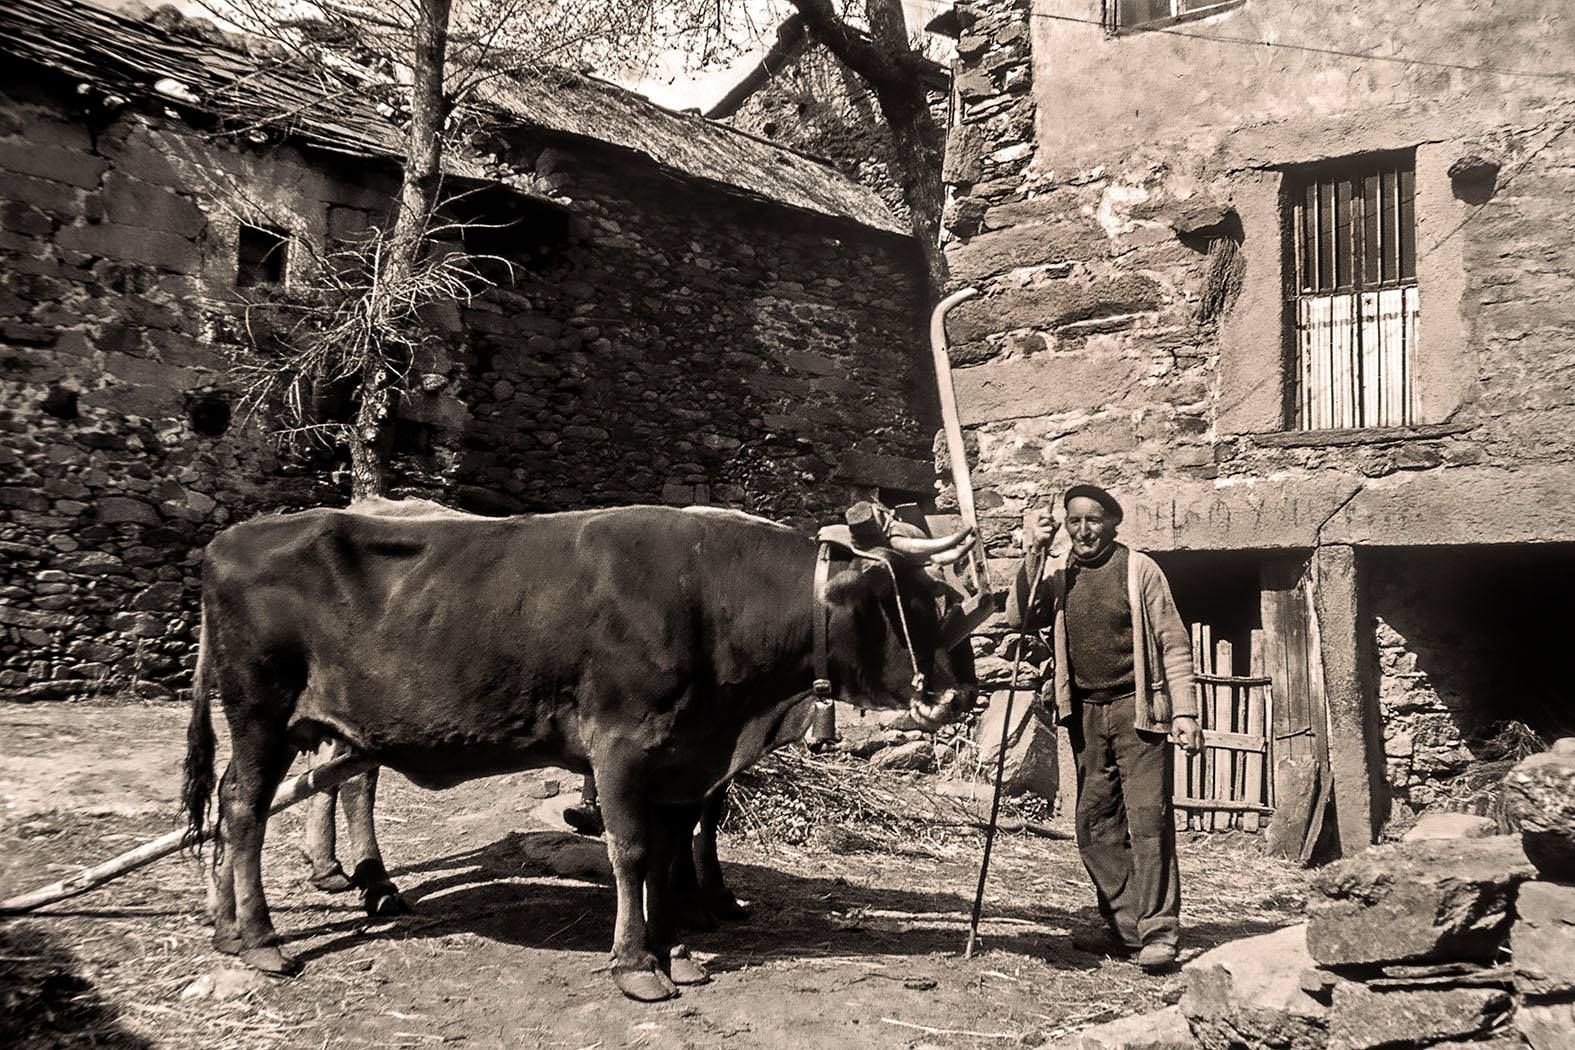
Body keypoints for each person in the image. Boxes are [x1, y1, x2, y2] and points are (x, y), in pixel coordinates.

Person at [1008, 483, 1203, 973]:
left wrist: (1184, 712)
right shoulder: (1058, 573)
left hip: (1138, 712)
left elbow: (1174, 643)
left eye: (1093, 520)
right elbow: (1019, 616)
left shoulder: (1140, 570)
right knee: (1094, 824)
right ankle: (1123, 924)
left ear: (1113, 523)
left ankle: (1158, 931)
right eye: (1073, 521)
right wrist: (1032, 550)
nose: (1082, 530)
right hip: (1084, 714)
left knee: (1147, 822)